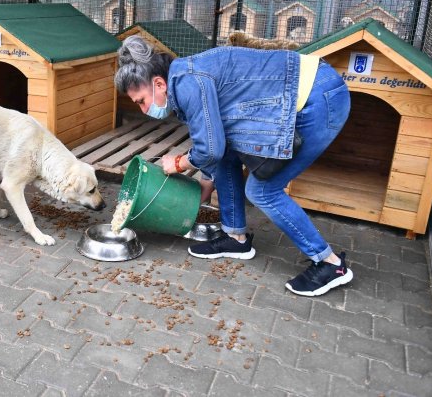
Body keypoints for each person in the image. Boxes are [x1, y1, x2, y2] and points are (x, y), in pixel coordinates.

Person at [114, 35, 353, 297]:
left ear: (158, 83)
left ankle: (330, 264)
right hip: (308, 90)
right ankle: (235, 237)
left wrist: (180, 164)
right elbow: (214, 140)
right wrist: (205, 182)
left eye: (141, 100)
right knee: (227, 156)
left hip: (318, 97)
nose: (143, 108)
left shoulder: (186, 82)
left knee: (262, 191)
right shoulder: (182, 77)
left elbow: (209, 147)